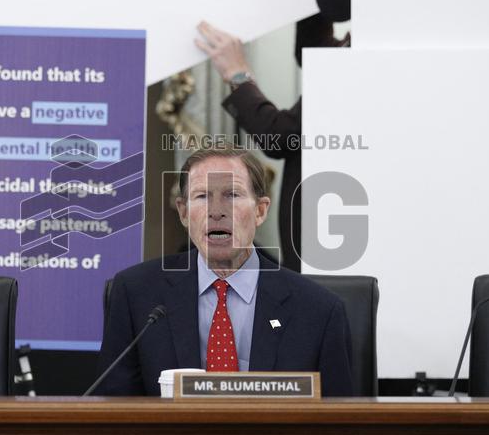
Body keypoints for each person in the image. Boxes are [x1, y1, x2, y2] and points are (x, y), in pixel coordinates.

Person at [195, 0, 407, 272]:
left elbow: (281, 137)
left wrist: (238, 74)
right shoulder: (375, 39)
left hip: (334, 243)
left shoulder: (373, 52)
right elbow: (314, 51)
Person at [94, 146, 354, 396]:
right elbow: (116, 411)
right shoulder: (136, 295)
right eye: (202, 196)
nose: (216, 212)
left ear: (260, 210)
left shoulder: (318, 311)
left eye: (232, 195)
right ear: (183, 213)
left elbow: (339, 419)